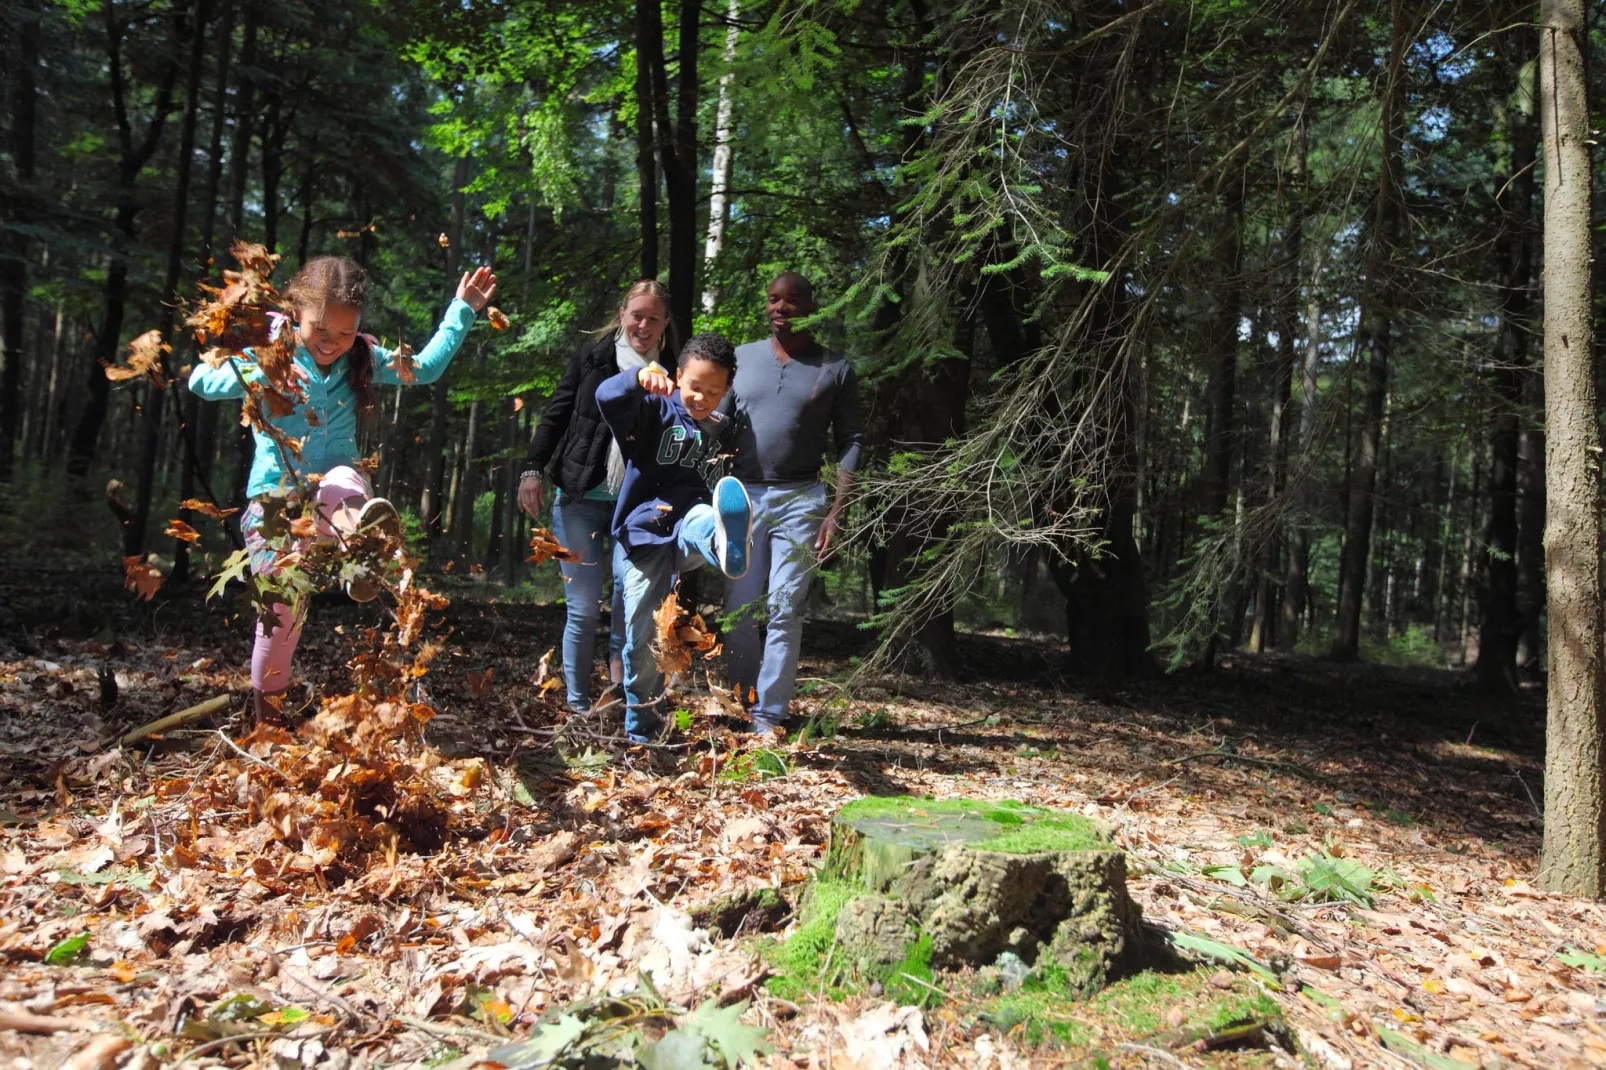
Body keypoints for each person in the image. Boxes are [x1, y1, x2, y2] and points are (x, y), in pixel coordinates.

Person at [189, 255, 496, 723]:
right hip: (275, 503)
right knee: (280, 619)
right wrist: (261, 374)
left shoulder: (363, 358)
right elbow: (200, 381)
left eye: (345, 333)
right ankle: (266, 722)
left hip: (334, 494)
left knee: (342, 482)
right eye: (321, 330)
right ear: (296, 314)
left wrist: (463, 309)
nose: (331, 343)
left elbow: (426, 368)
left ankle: (363, 546)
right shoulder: (268, 351)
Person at [518, 281, 678, 711]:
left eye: (654, 318)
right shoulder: (594, 359)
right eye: (636, 315)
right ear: (623, 313)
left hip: (638, 508)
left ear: (665, 324)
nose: (643, 325)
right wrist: (533, 469)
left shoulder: (675, 371)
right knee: (584, 610)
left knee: (631, 607)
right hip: (580, 497)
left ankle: (622, 699)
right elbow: (556, 414)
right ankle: (577, 706)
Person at [595, 332, 753, 742]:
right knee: (640, 639)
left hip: (689, 531)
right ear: (679, 375)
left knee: (703, 515)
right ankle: (642, 731)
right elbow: (606, 397)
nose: (701, 398)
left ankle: (725, 545)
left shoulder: (723, 432)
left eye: (714, 392)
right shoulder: (654, 410)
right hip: (644, 536)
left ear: (727, 389)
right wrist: (639, 377)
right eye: (694, 387)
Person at [725, 272, 862, 733]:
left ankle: (768, 716)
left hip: (803, 499)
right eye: (772, 300)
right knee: (739, 609)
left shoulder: (834, 368)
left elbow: (851, 440)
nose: (779, 308)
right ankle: (741, 701)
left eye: (791, 300)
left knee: (785, 607)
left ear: (811, 306)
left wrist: (837, 511)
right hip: (741, 498)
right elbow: (711, 421)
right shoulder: (740, 360)